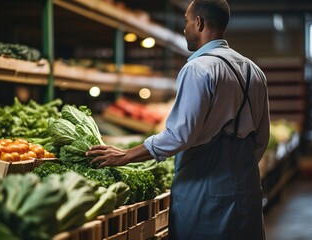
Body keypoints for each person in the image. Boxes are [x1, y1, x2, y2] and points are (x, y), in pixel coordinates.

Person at [86, 0, 270, 239]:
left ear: (199, 23)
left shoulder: (199, 69)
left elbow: (179, 136)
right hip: (247, 192)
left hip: (204, 194)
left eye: (186, 21)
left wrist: (125, 155)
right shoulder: (254, 71)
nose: (184, 28)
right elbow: (261, 140)